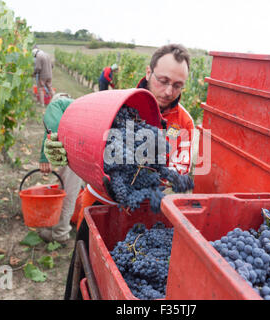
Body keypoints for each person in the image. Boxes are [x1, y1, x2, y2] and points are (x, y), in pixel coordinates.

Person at [44, 44, 194, 299]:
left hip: (145, 220)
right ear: (149, 72)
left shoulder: (185, 124)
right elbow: (72, 122)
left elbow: (177, 172)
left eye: (178, 85)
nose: (169, 91)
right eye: (163, 80)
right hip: (98, 208)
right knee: (83, 284)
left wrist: (157, 175)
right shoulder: (121, 105)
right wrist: (60, 142)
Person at [38, 93, 84, 243]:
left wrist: (45, 158)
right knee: (79, 187)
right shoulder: (77, 111)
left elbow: (52, 131)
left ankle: (60, 234)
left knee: (69, 191)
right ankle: (75, 219)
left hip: (83, 147)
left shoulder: (58, 105)